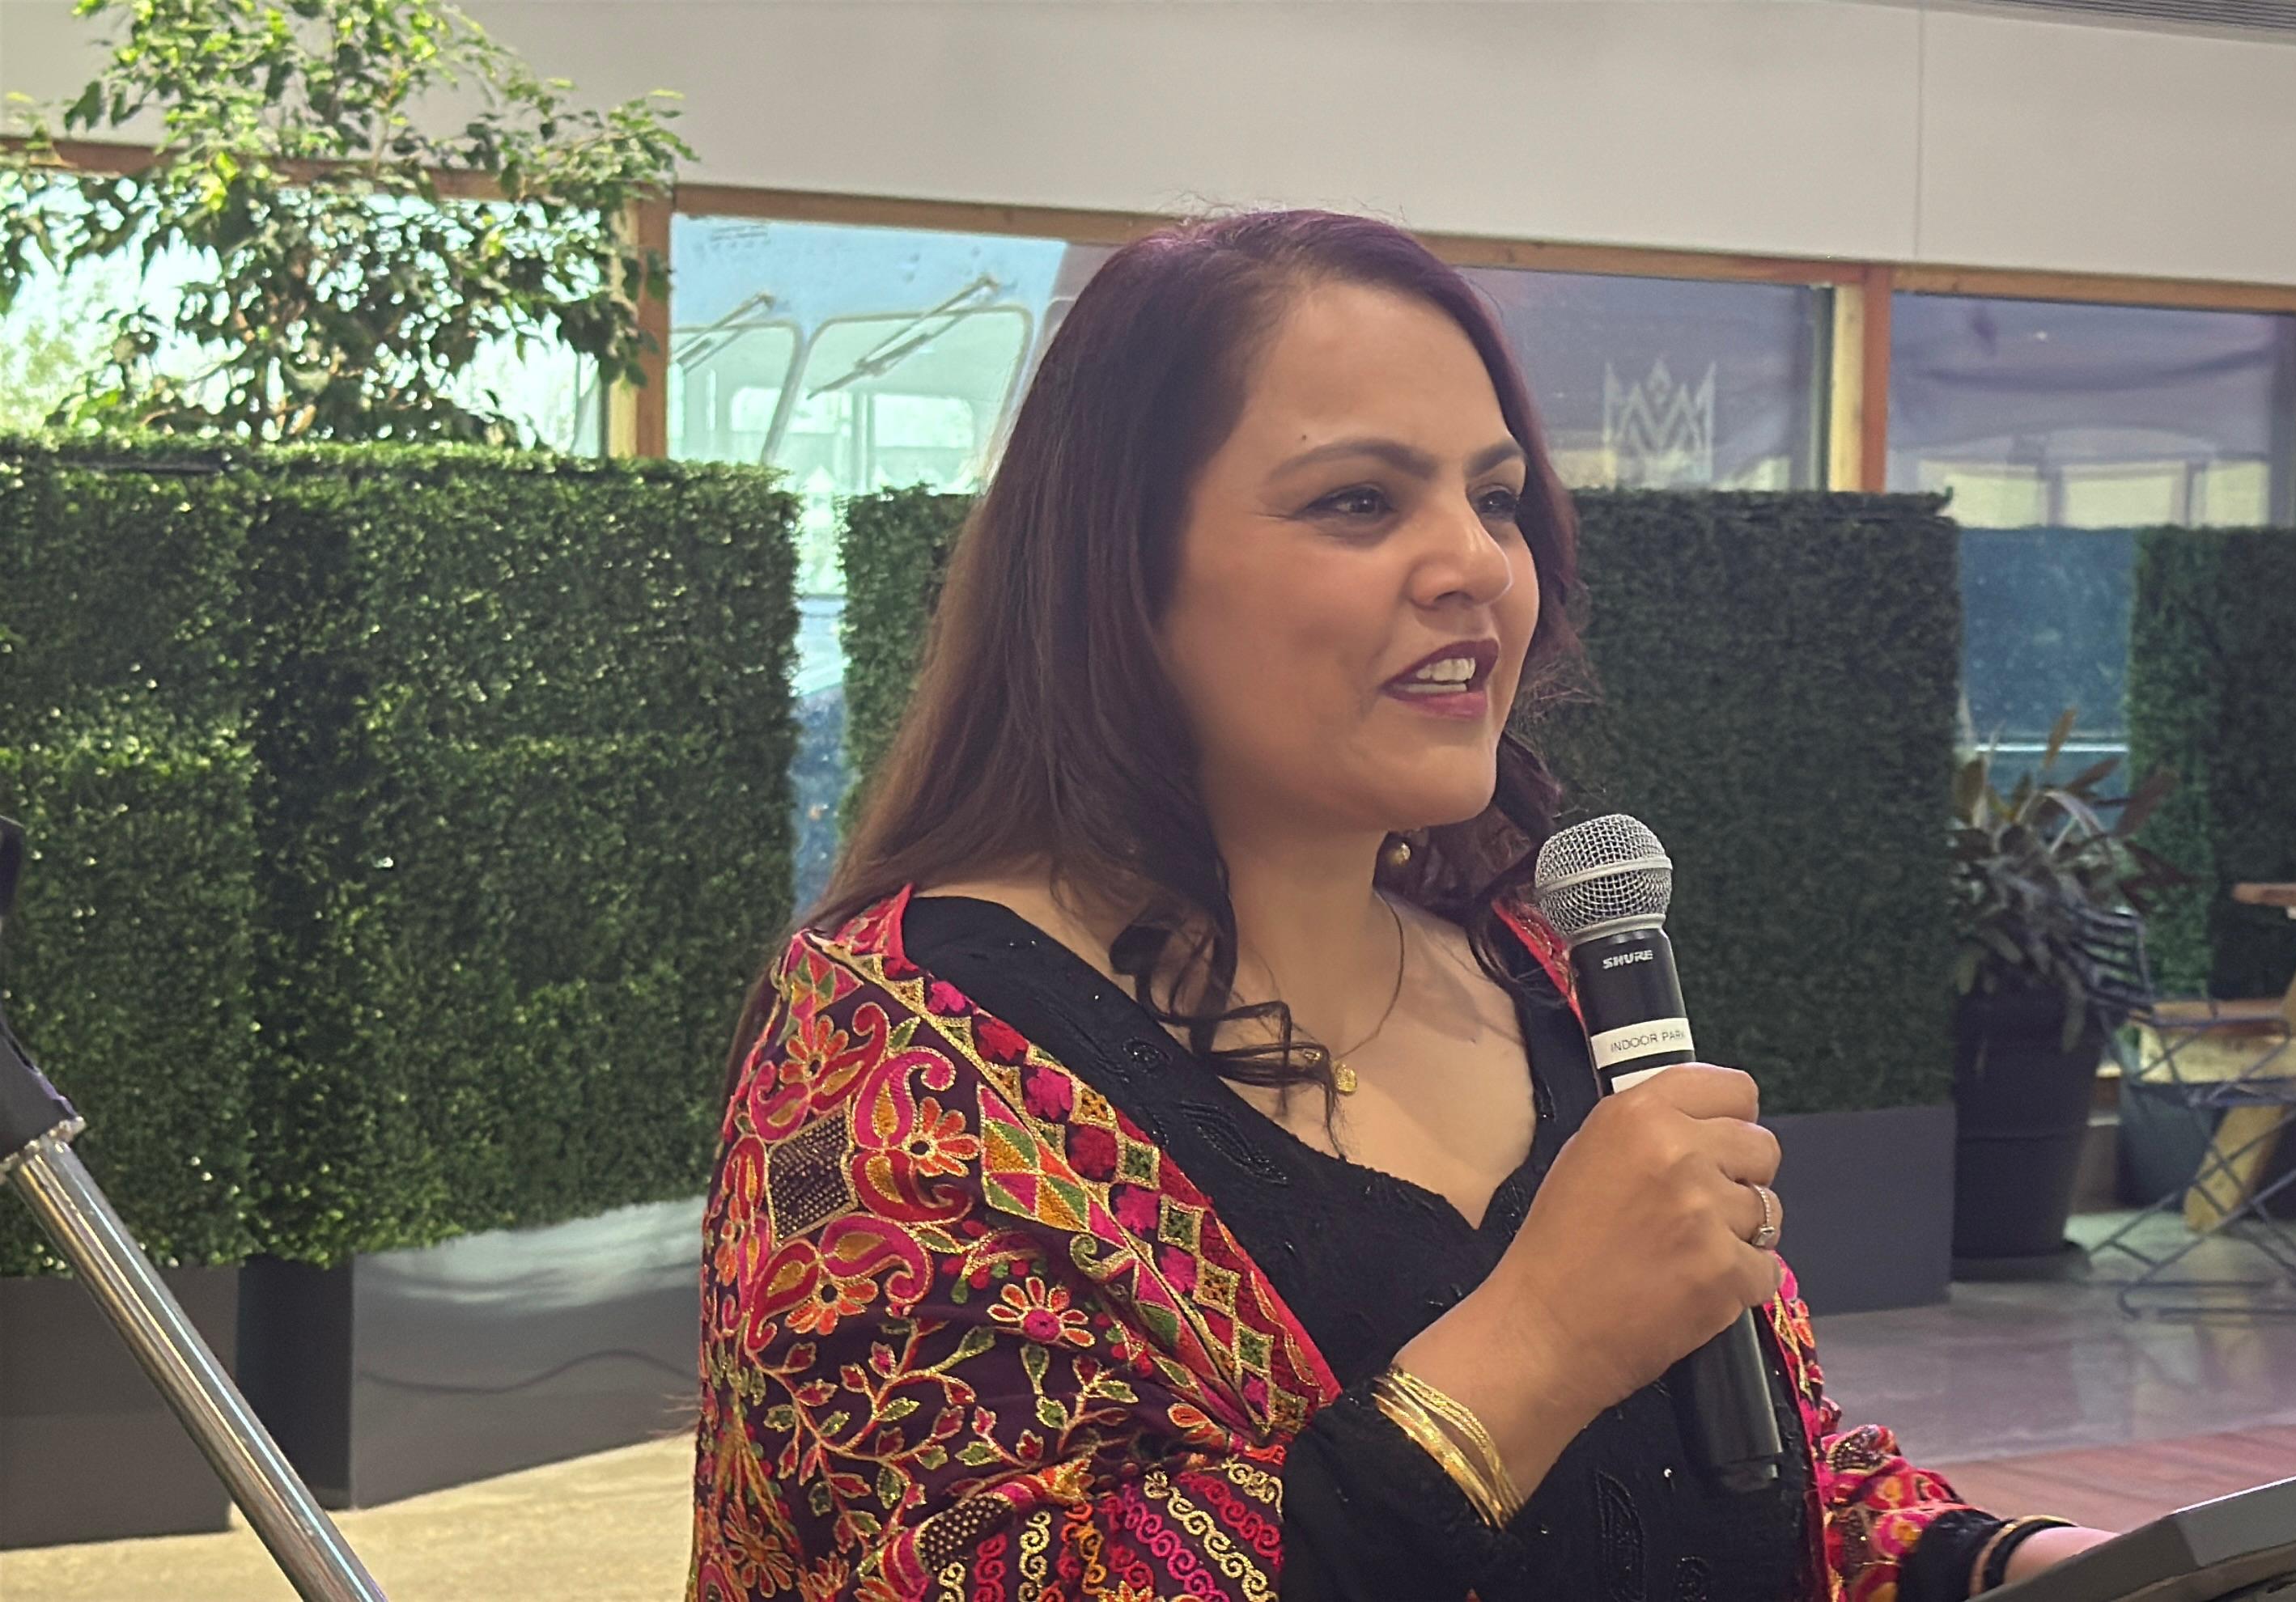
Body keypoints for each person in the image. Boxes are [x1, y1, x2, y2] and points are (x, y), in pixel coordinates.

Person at [689, 209, 2112, 1602]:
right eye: (1360, 501)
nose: (1478, 564)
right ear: (1119, 568)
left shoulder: (1538, 973)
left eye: (1495, 499)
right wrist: (1536, 1342)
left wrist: (2000, 1563)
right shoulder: (900, 1061)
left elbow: (1756, 1487)